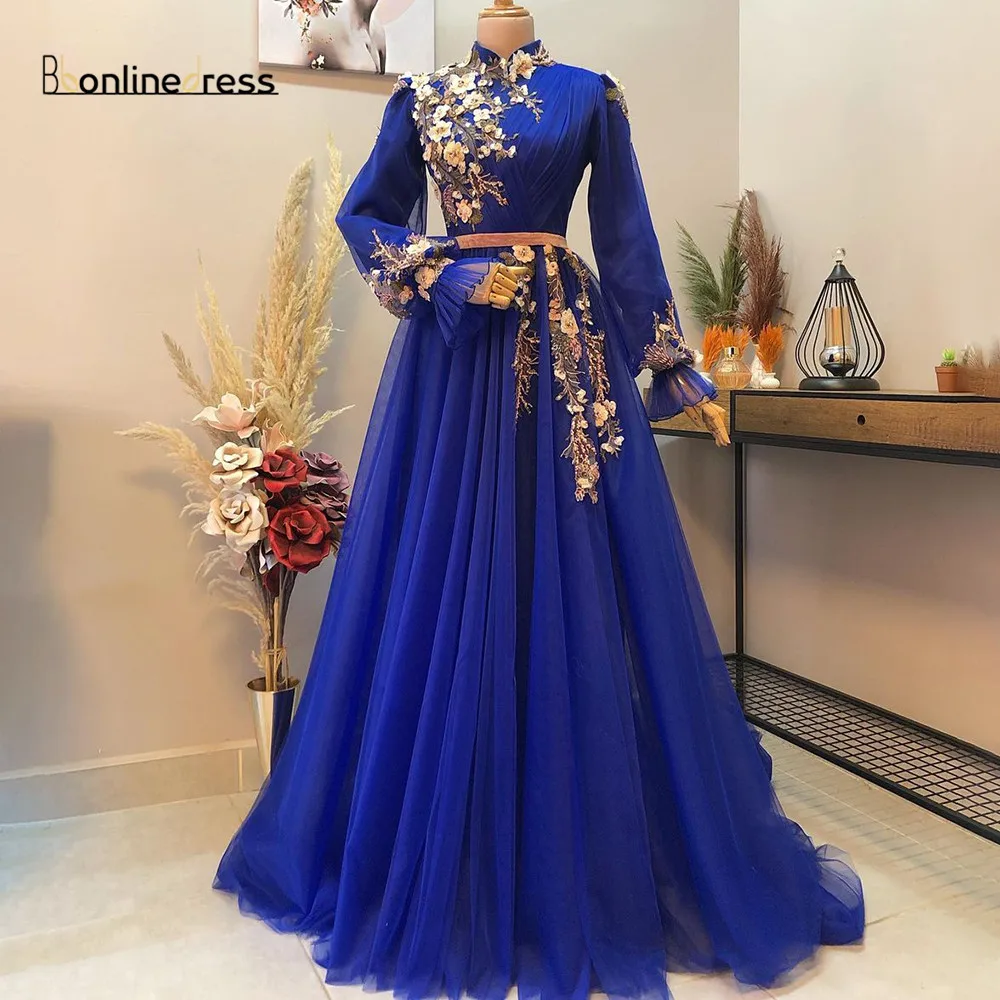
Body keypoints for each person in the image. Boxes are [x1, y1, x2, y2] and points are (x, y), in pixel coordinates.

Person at [216, 35, 865, 1000]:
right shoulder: (421, 96)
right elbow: (366, 215)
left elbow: (625, 233)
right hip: (451, 361)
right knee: (440, 576)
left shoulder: (589, 94)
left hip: (565, 355)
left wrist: (671, 366)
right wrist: (444, 272)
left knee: (569, 575)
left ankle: (581, 851)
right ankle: (439, 845)